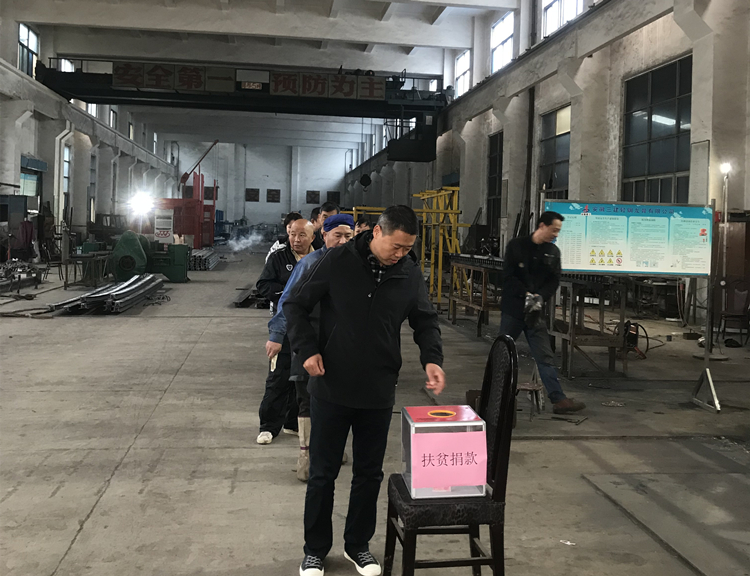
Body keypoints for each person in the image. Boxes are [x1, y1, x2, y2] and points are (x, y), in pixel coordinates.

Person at [284, 205, 445, 576]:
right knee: (322, 474)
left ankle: (357, 545)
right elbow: (294, 304)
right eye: (396, 246)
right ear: (376, 233)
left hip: (377, 389)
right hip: (331, 385)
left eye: (408, 248)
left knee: (369, 474)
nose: (400, 254)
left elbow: (425, 320)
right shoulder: (337, 261)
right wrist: (307, 350)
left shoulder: (408, 273)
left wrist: (432, 359)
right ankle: (315, 550)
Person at [266, 214, 355, 482]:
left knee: (340, 400)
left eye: (348, 236)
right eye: (337, 235)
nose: (342, 241)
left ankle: (333, 447)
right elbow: (288, 303)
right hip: (310, 342)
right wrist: (277, 335)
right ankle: (305, 456)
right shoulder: (309, 264)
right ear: (323, 235)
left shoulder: (357, 265)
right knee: (307, 399)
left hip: (342, 346)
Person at [500, 211, 585, 414]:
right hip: (513, 310)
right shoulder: (516, 246)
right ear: (541, 226)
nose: (556, 234)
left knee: (544, 356)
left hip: (535, 313)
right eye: (554, 230)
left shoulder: (553, 252)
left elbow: (554, 280)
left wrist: (540, 297)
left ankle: (559, 400)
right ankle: (496, 395)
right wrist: (526, 294)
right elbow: (508, 277)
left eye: (558, 231)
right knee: (502, 353)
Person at [255, 219, 316, 445]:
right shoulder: (279, 258)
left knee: (301, 379)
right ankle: (268, 426)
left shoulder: (320, 259)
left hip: (308, 329)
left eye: (302, 235)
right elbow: (263, 285)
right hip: (284, 324)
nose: (296, 240)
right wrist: (288, 294)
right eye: (292, 234)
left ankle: (292, 422)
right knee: (278, 377)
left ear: (312, 237)